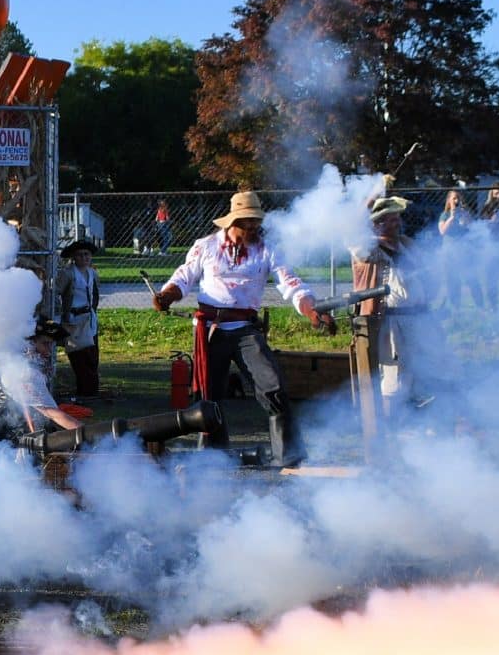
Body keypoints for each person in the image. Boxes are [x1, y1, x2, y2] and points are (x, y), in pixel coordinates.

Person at [152, 190, 324, 468]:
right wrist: (167, 294)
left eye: (256, 221)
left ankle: (289, 454)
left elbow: (290, 283)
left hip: (246, 329)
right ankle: (213, 456)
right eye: (247, 222)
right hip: (211, 330)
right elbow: (184, 276)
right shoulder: (205, 246)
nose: (254, 227)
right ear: (233, 223)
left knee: (273, 386)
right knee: (208, 395)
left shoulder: (267, 249)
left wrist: (308, 308)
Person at [351, 192, 451, 427]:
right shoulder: (369, 248)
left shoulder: (407, 244)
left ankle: (424, 421)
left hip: (419, 317)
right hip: (389, 320)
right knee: (393, 376)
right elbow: (354, 239)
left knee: (431, 366)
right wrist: (364, 205)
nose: (397, 223)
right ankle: (391, 425)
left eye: (397, 218)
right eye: (391, 219)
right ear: (377, 223)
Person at [0, 321, 86, 448]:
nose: (48, 352)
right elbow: (53, 414)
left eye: (51, 345)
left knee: (47, 429)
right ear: (29, 344)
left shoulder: (19, 366)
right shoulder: (20, 372)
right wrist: (87, 435)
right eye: (45, 344)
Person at [56, 238, 102, 399]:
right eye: (80, 255)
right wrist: (62, 316)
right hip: (74, 319)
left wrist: (93, 311)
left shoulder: (93, 273)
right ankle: (85, 391)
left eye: (87, 254)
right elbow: (57, 293)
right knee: (79, 356)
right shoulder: (68, 274)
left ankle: (91, 390)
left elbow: (95, 295)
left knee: (92, 355)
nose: (84, 258)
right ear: (74, 257)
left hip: (89, 318)